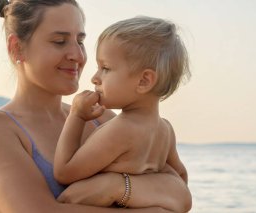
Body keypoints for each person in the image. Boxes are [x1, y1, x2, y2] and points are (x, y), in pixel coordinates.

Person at [0, 0, 191, 212]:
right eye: (59, 41)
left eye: (80, 41)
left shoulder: (102, 119)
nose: (77, 55)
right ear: (17, 47)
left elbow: (181, 196)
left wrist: (115, 186)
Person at [54, 16, 191, 208]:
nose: (95, 78)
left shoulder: (120, 130)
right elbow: (180, 178)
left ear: (144, 81)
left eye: (106, 68)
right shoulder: (165, 130)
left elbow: (64, 172)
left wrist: (76, 116)